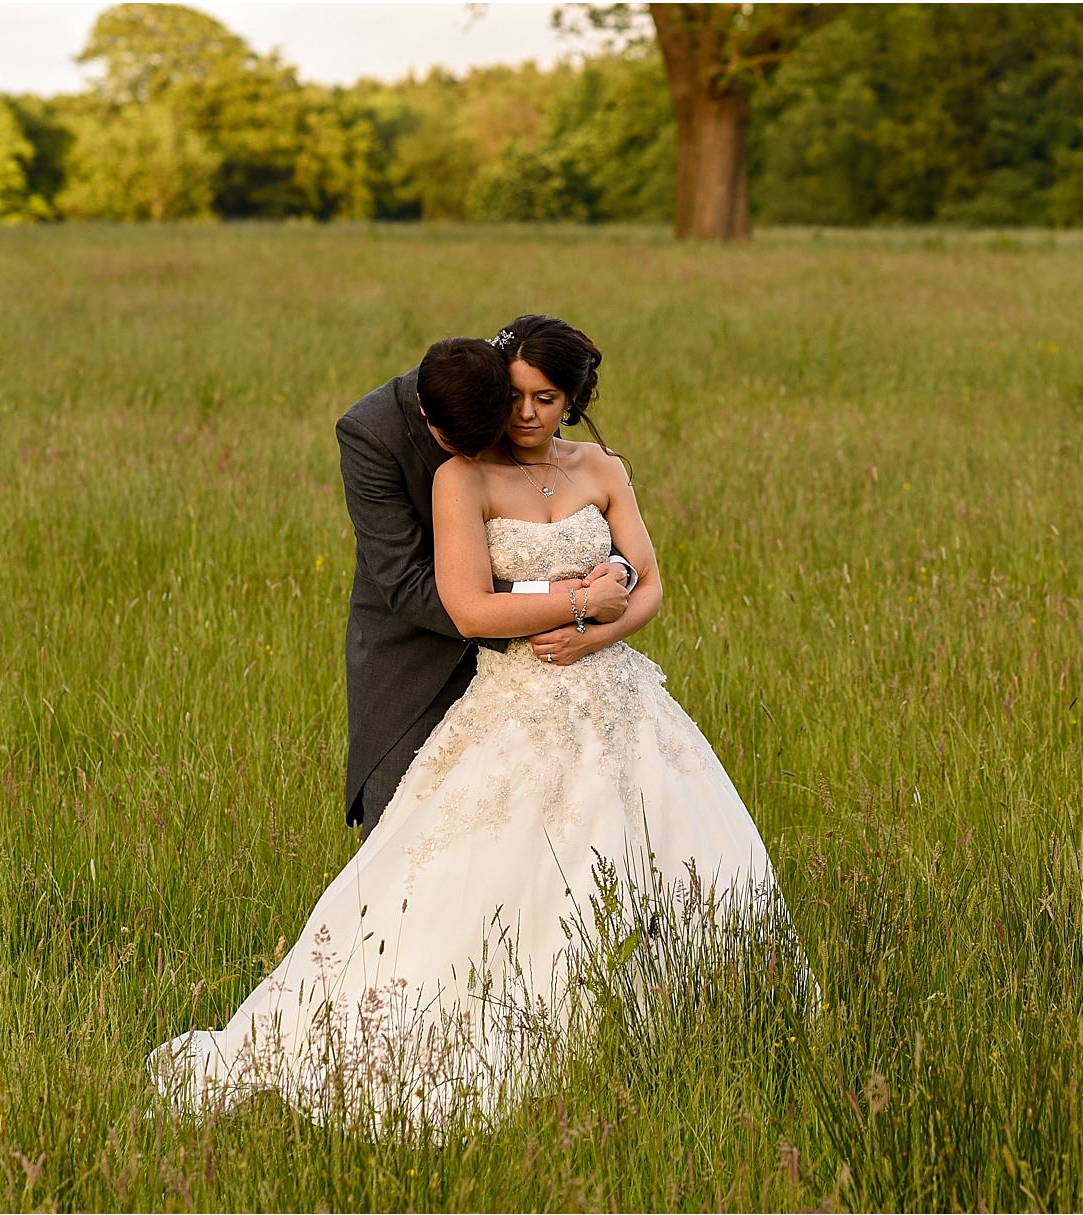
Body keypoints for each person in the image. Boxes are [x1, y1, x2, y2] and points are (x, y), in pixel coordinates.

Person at [147, 317, 815, 1135]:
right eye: (516, 397)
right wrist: (573, 600)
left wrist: (598, 626)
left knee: (659, 850)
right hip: (508, 689)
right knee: (473, 864)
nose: (527, 414)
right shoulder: (460, 473)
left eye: (545, 398)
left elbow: (646, 582)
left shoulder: (603, 468)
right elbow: (460, 602)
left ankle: (676, 1028)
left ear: (572, 399)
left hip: (620, 696)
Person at [333, 336, 637, 843]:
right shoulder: (370, 433)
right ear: (428, 414)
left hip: (550, 666)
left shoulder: (503, 377)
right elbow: (405, 584)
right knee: (400, 831)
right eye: (460, 447)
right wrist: (562, 601)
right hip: (415, 654)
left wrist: (618, 568)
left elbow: (571, 507)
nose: (481, 456)